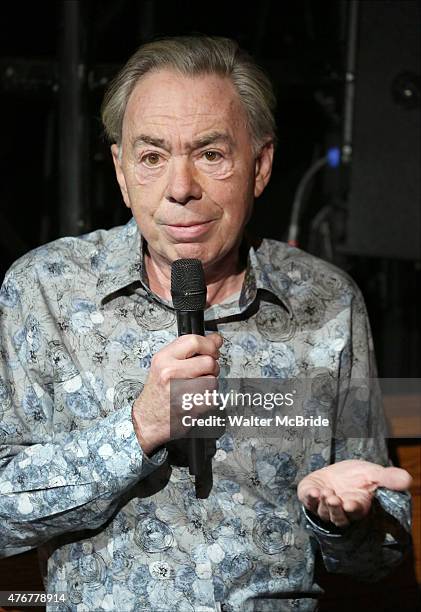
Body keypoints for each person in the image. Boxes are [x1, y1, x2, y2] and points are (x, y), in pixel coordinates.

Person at [0, 35, 412, 612]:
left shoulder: (326, 303)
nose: (180, 188)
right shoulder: (45, 291)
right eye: (151, 157)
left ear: (260, 165)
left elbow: (382, 559)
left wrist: (341, 524)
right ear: (120, 171)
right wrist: (137, 429)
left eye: (211, 155)